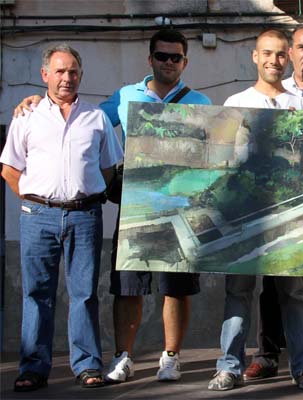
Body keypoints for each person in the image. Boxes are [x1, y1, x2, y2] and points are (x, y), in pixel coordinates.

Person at [14, 29, 212, 383]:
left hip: (184, 206)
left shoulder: (201, 101)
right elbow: (80, 116)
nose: (169, 62)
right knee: (128, 286)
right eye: (162, 56)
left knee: (176, 288)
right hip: (137, 205)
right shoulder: (123, 97)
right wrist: (35, 100)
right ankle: (123, 356)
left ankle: (171, 357)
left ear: (185, 61)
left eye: (176, 57)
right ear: (150, 59)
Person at [1, 44, 123, 392]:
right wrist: (34, 199)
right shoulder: (27, 116)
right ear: (45, 75)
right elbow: (9, 168)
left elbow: (108, 169)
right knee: (37, 293)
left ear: (81, 75)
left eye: (72, 71)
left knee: (84, 294)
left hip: (85, 216)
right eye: (59, 71)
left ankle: (87, 365)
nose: (66, 78)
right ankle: (33, 367)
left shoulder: (96, 117)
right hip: (38, 216)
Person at [207, 28, 303, 392]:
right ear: (255, 57)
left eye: (279, 54)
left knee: (294, 294)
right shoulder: (236, 100)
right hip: (244, 211)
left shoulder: (302, 105)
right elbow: (221, 157)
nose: (273, 60)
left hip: (286, 212)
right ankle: (229, 366)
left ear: (286, 58)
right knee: (238, 292)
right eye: (266, 54)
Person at [243, 25, 303, 383]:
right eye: (302, 46)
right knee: (272, 283)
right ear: (290, 52)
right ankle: (267, 354)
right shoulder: (265, 95)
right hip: (269, 205)